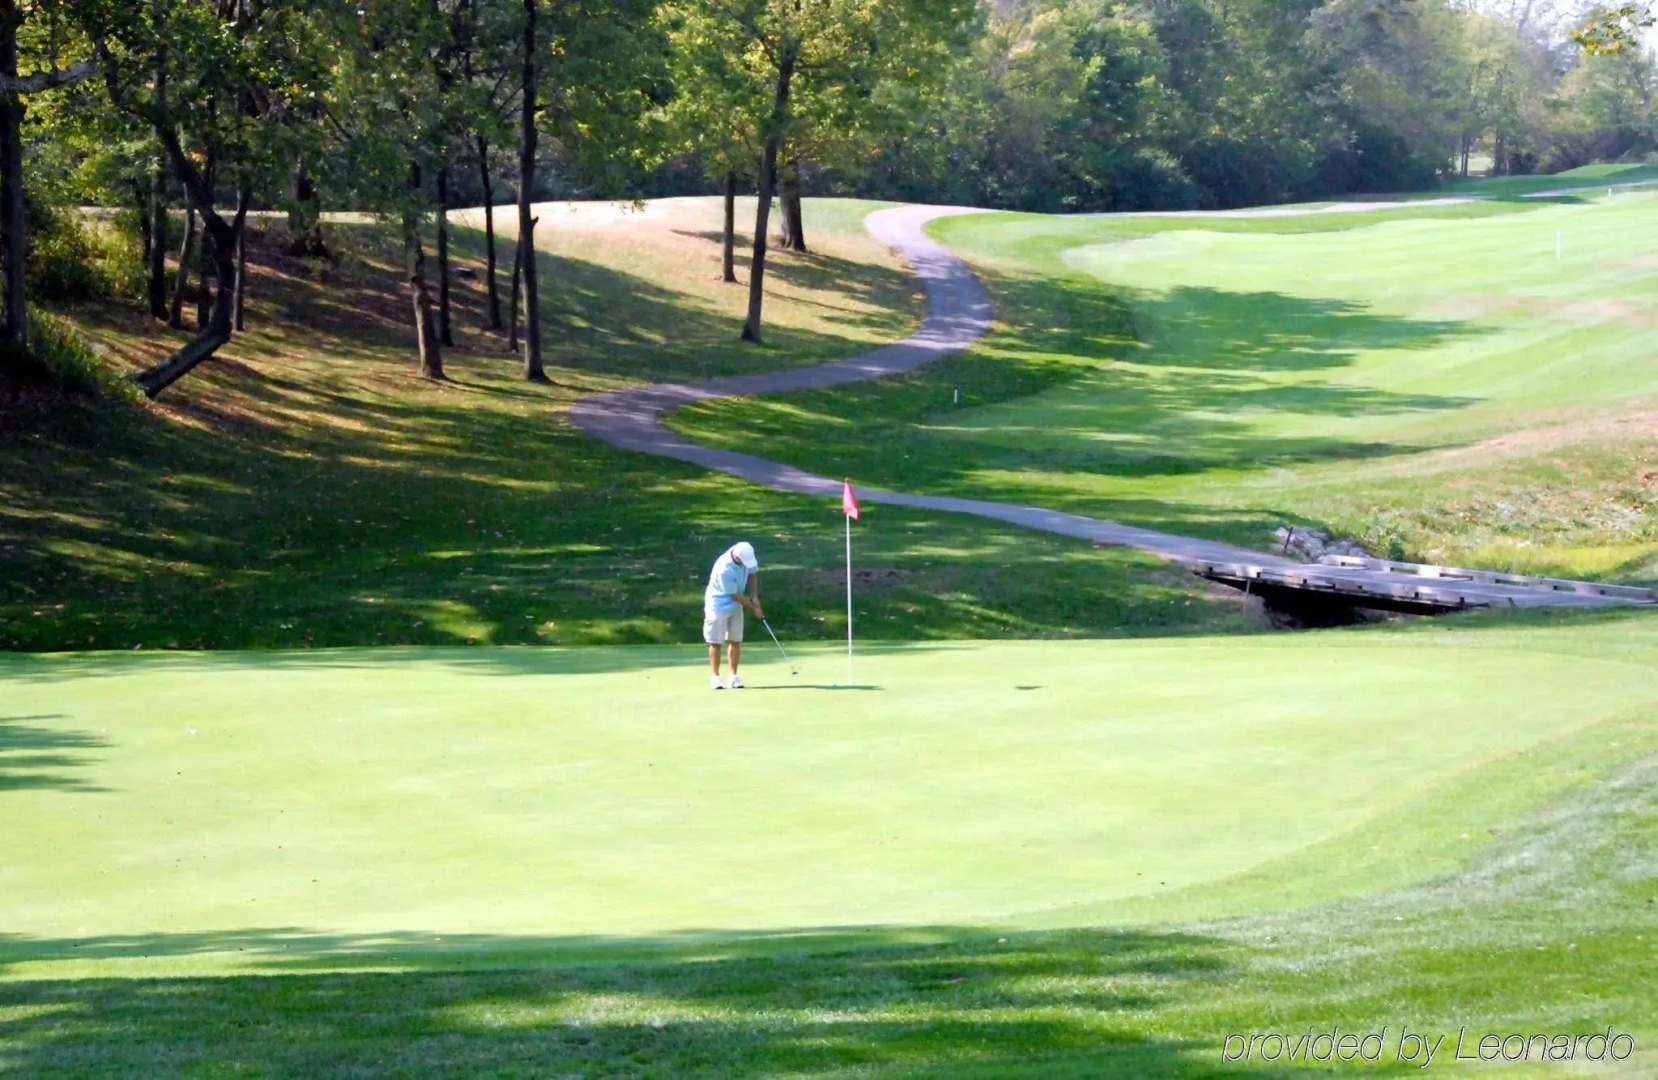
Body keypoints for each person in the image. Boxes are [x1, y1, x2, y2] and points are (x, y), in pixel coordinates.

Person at [704, 541, 762, 689]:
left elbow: (752, 574)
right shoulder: (724, 569)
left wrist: (754, 596)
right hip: (718, 604)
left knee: (735, 640)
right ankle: (715, 677)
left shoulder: (746, 552)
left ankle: (733, 676)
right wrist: (753, 608)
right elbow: (734, 594)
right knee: (716, 642)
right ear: (736, 557)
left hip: (736, 604)